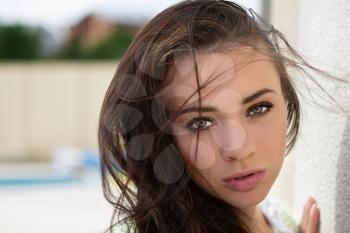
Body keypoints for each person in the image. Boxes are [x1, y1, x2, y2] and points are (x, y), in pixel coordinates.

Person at [98, 1, 346, 232]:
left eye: (258, 108)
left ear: (286, 98)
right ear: (161, 136)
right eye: (200, 123)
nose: (238, 148)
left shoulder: (277, 216)